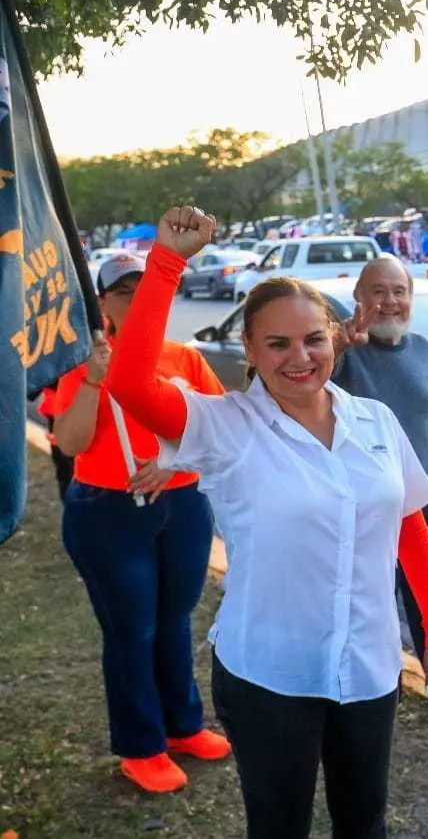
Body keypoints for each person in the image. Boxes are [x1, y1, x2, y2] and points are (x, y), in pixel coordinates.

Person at [104, 207, 428, 838]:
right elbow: (131, 383)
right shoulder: (225, 426)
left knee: (365, 821)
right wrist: (166, 263)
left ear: (334, 338)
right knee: (278, 826)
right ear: (250, 349)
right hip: (270, 674)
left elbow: (409, 526)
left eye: (312, 340)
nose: (299, 358)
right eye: (278, 343)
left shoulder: (374, 422)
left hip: (369, 667)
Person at [51, 253, 230, 794]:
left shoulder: (185, 358)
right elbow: (73, 443)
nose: (136, 296)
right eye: (123, 289)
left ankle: (182, 726)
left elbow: (219, 432)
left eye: (145, 286)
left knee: (175, 620)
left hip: (181, 508)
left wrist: (175, 461)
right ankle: (141, 746)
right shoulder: (86, 361)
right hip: (107, 513)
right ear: (101, 302)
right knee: (133, 630)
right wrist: (92, 382)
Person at [330, 256, 428, 713]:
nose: (389, 301)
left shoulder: (422, 350)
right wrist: (337, 346)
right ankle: (370, 681)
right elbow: (311, 392)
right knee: (366, 600)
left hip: (419, 500)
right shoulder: (344, 352)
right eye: (378, 291)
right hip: (361, 506)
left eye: (399, 291)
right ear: (359, 298)